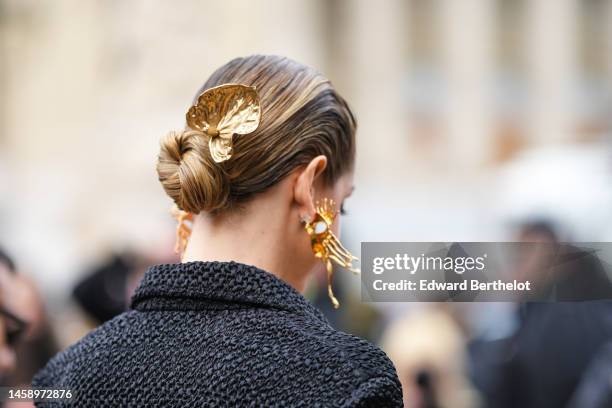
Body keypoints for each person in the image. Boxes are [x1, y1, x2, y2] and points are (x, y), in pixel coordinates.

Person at [33, 55, 403, 407]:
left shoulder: (65, 377)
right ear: (308, 187)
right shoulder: (348, 381)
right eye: (343, 203)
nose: (338, 224)